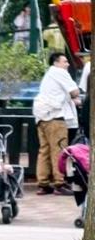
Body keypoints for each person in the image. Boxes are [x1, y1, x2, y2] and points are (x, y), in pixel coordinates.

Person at [33, 52, 81, 196]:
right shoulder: (59, 72)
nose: (67, 64)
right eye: (64, 61)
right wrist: (74, 96)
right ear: (56, 63)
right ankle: (59, 183)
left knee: (44, 150)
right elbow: (75, 92)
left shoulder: (49, 75)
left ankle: (43, 184)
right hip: (55, 116)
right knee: (59, 150)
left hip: (41, 116)